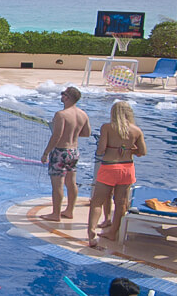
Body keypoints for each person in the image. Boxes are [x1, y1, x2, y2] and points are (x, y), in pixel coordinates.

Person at [88, 101, 146, 246]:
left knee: (97, 201)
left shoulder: (107, 127)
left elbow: (101, 150)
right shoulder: (136, 130)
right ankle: (113, 232)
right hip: (127, 168)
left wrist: (110, 148)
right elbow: (142, 152)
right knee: (121, 203)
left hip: (109, 167)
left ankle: (91, 232)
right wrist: (127, 150)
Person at [39, 86, 91, 222]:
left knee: (57, 185)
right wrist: (72, 132)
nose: (61, 96)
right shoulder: (83, 114)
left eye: (63, 94)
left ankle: (55, 214)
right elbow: (87, 133)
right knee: (71, 182)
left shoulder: (61, 115)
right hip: (74, 151)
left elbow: (57, 136)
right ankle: (69, 210)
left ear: (67, 97)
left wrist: (46, 153)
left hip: (60, 151)